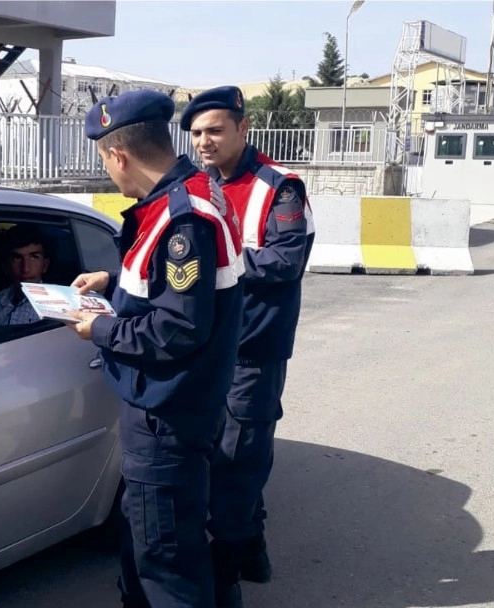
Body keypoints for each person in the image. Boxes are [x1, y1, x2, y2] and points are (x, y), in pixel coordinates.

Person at [64, 89, 245, 608]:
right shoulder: (190, 196)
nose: (109, 174)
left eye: (104, 162)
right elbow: (174, 282)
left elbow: (176, 328)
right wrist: (113, 278)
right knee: (157, 549)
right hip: (184, 408)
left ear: (118, 155)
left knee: (165, 566)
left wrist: (97, 330)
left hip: (166, 415)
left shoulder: (181, 218)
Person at [180, 85, 316, 607]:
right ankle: (252, 544)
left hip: (254, 350)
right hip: (206, 348)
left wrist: (216, 265)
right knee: (217, 455)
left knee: (238, 460)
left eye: (215, 130)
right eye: (196, 133)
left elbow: (285, 263)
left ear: (243, 129)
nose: (204, 142)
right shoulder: (195, 185)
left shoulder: (280, 187)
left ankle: (227, 575)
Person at [0, 223, 53, 327]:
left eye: (34, 257)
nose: (25, 268)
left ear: (45, 265)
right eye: (17, 258)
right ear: (5, 266)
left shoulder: (54, 307)